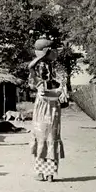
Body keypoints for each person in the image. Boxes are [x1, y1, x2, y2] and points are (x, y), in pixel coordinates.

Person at [28, 47, 66, 182]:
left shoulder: (41, 84)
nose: (44, 70)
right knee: (49, 140)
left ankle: (43, 173)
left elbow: (30, 67)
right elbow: (31, 67)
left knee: (43, 140)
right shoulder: (56, 84)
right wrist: (43, 57)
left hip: (44, 114)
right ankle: (48, 174)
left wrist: (41, 57)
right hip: (52, 114)